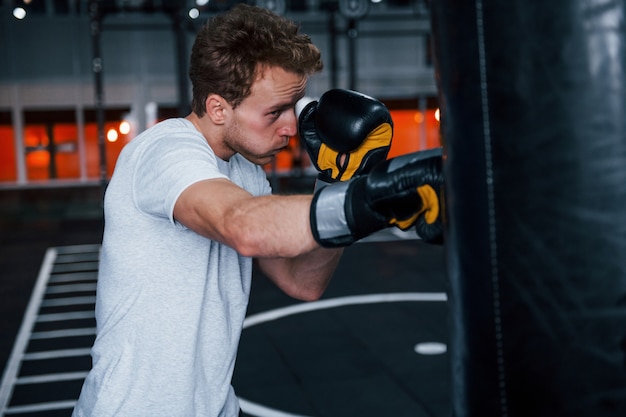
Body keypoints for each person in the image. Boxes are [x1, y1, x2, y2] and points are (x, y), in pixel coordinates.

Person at [72, 4, 443, 417]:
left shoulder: (245, 171)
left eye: (295, 106)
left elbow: (303, 281)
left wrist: (340, 183)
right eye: (274, 112)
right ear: (218, 108)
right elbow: (242, 226)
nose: (291, 127)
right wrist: (373, 202)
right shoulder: (164, 151)